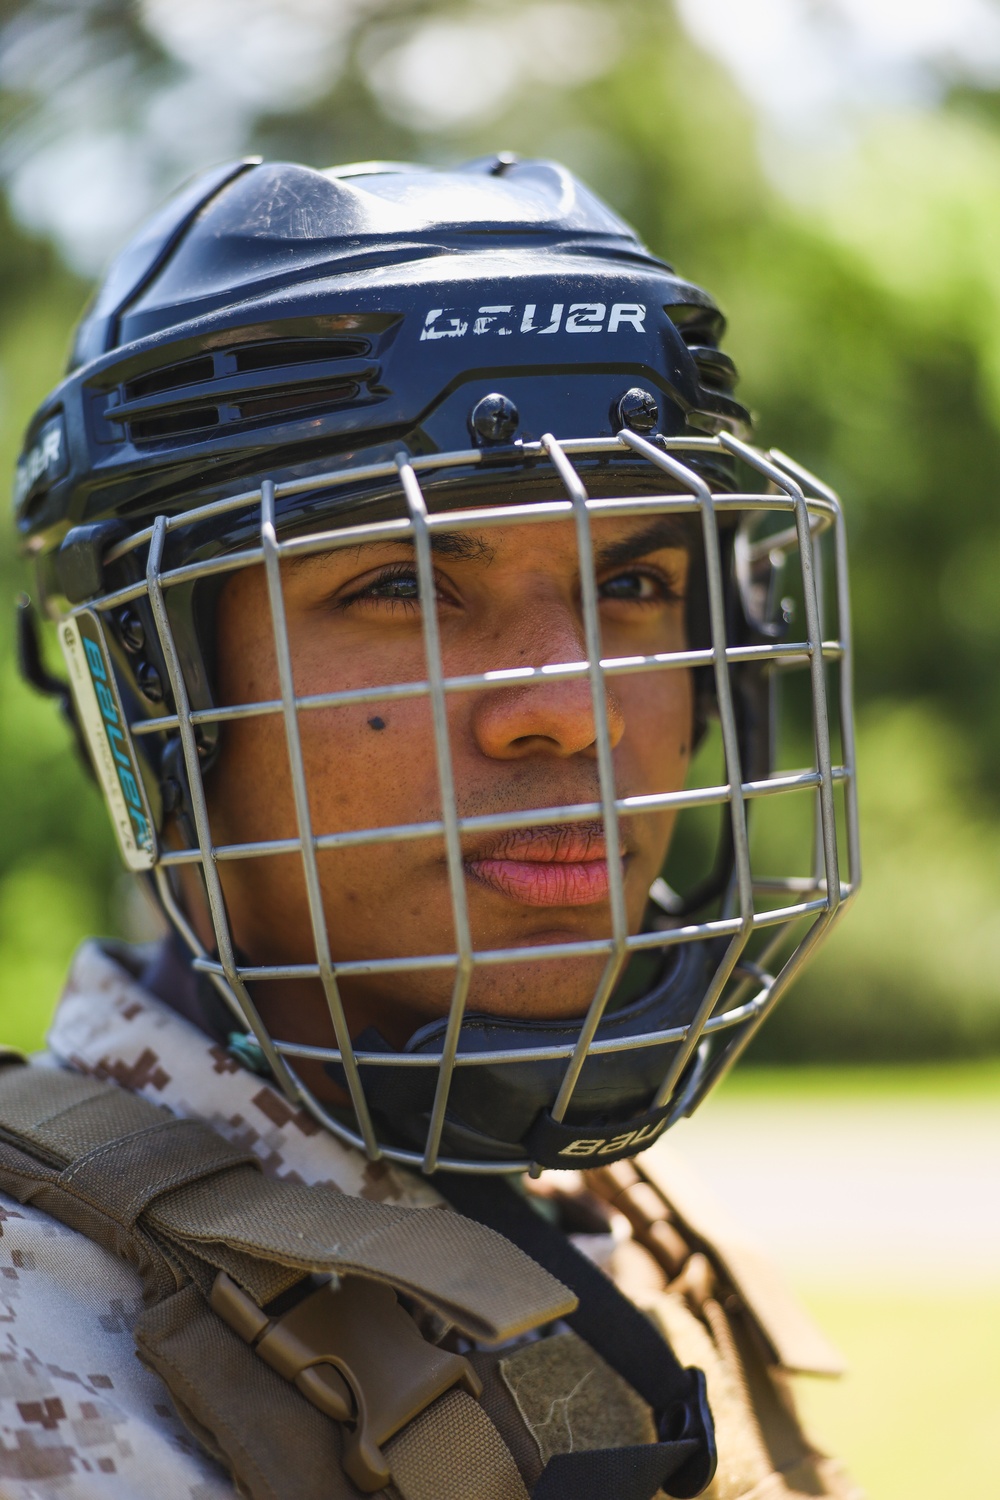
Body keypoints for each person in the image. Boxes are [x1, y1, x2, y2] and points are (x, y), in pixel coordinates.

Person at [3, 155, 861, 1500]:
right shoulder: (42, 1346)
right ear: (151, 695)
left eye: (634, 579)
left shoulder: (603, 1221)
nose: (570, 710)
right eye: (404, 585)